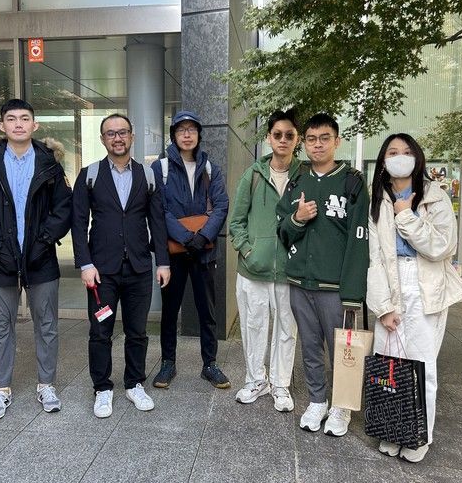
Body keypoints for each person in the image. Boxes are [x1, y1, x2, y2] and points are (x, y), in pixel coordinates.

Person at [0, 98, 72, 420]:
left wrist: (44, 241)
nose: (19, 124)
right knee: (1, 327)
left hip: (41, 258)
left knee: (47, 325)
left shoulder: (50, 164)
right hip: (1, 260)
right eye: (12, 119)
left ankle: (46, 385)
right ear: (2, 126)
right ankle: (1, 390)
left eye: (25, 118)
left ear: (34, 125)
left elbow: (63, 209)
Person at [367, 133, 462, 462]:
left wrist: (406, 216)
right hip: (389, 280)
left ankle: (417, 437)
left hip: (425, 283)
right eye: (392, 152)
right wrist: (383, 306)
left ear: (417, 157)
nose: (400, 157)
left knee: (422, 364)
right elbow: (374, 258)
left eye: (406, 151)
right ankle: (392, 430)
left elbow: (441, 247)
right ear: (383, 160)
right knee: (389, 363)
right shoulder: (377, 199)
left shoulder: (434, 196)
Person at [71, 113, 170, 419]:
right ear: (103, 139)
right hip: (101, 270)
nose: (117, 138)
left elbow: (157, 221)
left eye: (122, 132)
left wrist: (163, 261)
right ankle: (102, 388)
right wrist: (85, 263)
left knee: (137, 331)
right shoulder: (89, 174)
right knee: (100, 332)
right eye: (111, 133)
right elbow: (78, 222)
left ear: (132, 137)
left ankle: (134, 383)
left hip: (139, 267)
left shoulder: (148, 176)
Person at [276, 112, 369, 436]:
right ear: (305, 143)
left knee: (343, 350)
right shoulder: (297, 181)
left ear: (336, 141)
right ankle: (317, 400)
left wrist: (353, 293)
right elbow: (282, 231)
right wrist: (297, 218)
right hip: (300, 281)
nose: (318, 145)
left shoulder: (352, 182)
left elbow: (359, 240)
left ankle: (342, 407)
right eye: (312, 139)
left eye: (324, 138)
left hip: (336, 287)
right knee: (310, 346)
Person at [150, 111, 230, 389]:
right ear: (173, 135)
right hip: (174, 251)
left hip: (203, 252)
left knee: (207, 310)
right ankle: (167, 363)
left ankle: (210, 364)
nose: (187, 134)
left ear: (198, 134)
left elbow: (221, 205)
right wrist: (186, 237)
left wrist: (203, 236)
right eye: (181, 129)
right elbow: (159, 209)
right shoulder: (160, 168)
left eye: (192, 129)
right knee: (170, 310)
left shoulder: (210, 169)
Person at [229, 109, 301, 411]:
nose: (283, 140)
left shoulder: (304, 175)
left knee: (286, 328)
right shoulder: (254, 174)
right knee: (253, 326)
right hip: (253, 269)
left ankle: (281, 384)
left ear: (297, 139)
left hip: (289, 270)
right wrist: (248, 250)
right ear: (269, 138)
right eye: (277, 134)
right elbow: (236, 221)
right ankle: (256, 380)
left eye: (289, 135)